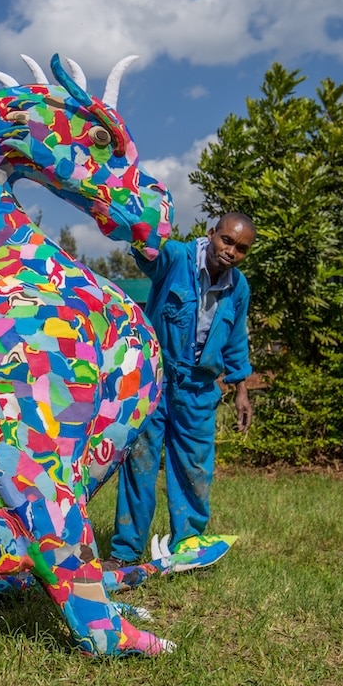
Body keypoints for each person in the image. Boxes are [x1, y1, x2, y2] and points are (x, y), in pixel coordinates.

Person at [105, 212, 257, 571]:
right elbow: (148, 254)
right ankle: (125, 551)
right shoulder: (177, 258)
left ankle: (187, 547)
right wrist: (141, 220)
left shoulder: (239, 287)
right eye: (226, 241)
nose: (231, 252)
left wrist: (241, 389)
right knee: (139, 463)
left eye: (241, 248)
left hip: (198, 388)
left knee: (194, 467)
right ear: (211, 234)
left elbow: (235, 338)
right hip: (156, 378)